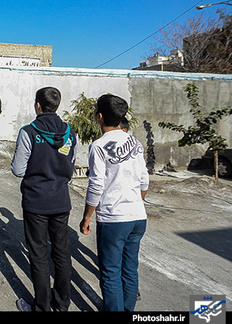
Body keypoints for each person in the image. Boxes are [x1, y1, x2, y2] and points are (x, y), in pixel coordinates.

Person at [79, 94, 149, 312]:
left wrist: (87, 216)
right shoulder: (134, 141)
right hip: (138, 217)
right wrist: (135, 203)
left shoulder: (98, 146)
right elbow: (144, 179)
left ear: (99, 116)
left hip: (114, 220)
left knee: (110, 274)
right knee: (130, 270)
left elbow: (96, 186)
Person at [11, 87, 77, 312]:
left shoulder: (28, 131)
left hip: (36, 202)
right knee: (61, 252)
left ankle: (42, 307)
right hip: (61, 201)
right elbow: (70, 167)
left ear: (38, 105)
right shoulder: (70, 132)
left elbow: (19, 170)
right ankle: (62, 304)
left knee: (38, 255)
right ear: (56, 106)